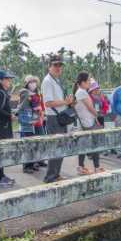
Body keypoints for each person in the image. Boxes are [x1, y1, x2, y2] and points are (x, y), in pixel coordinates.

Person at [41, 55, 74, 183]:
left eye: (60, 65)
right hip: (53, 118)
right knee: (56, 148)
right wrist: (65, 101)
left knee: (61, 148)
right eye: (55, 65)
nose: (58, 67)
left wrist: (68, 102)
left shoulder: (56, 80)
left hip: (60, 117)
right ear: (49, 66)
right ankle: (50, 177)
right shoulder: (48, 81)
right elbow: (48, 103)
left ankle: (56, 175)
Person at [73, 71, 106, 175]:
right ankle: (96, 167)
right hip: (87, 123)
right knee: (94, 144)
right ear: (82, 82)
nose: (89, 83)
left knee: (83, 145)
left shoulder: (81, 91)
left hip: (86, 122)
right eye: (87, 81)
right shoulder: (82, 92)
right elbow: (90, 108)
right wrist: (97, 115)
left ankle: (81, 167)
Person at [16, 75, 43, 173]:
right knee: (27, 145)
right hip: (26, 121)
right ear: (27, 83)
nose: (33, 83)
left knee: (32, 144)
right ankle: (26, 166)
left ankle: (31, 164)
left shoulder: (35, 93)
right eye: (31, 82)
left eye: (34, 81)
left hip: (33, 121)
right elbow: (22, 106)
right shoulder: (24, 92)